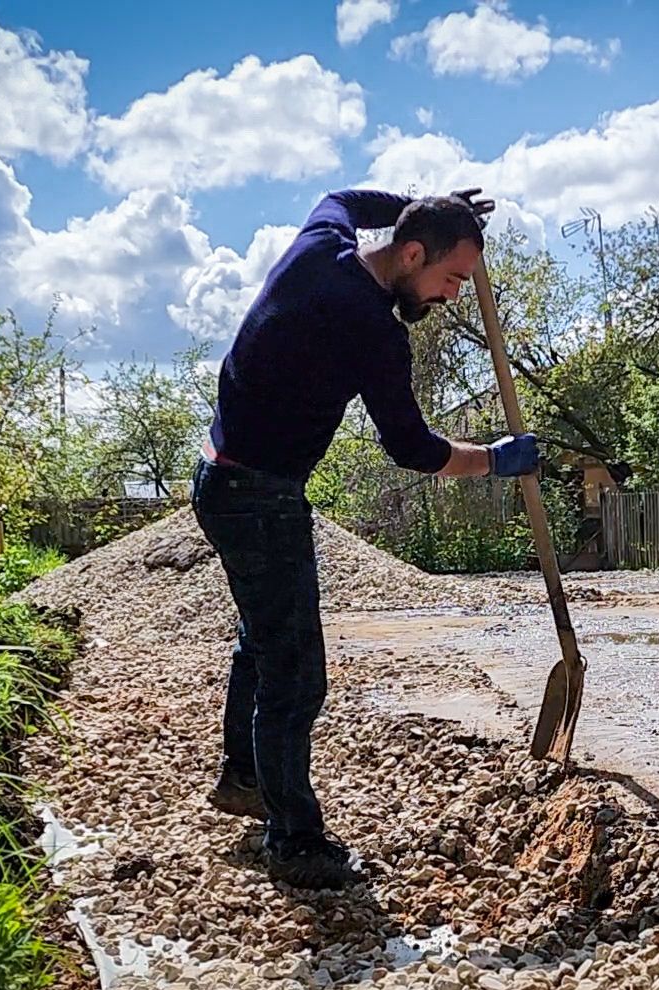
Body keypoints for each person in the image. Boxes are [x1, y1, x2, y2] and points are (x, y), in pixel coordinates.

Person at [191, 187, 539, 890]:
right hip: (260, 495)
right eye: (450, 280)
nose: (451, 296)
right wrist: (496, 460)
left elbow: (340, 196)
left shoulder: (319, 244)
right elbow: (411, 448)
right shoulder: (370, 329)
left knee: (263, 639)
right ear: (412, 254)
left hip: (219, 478)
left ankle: (245, 778)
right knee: (295, 672)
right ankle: (292, 841)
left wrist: (422, 202)